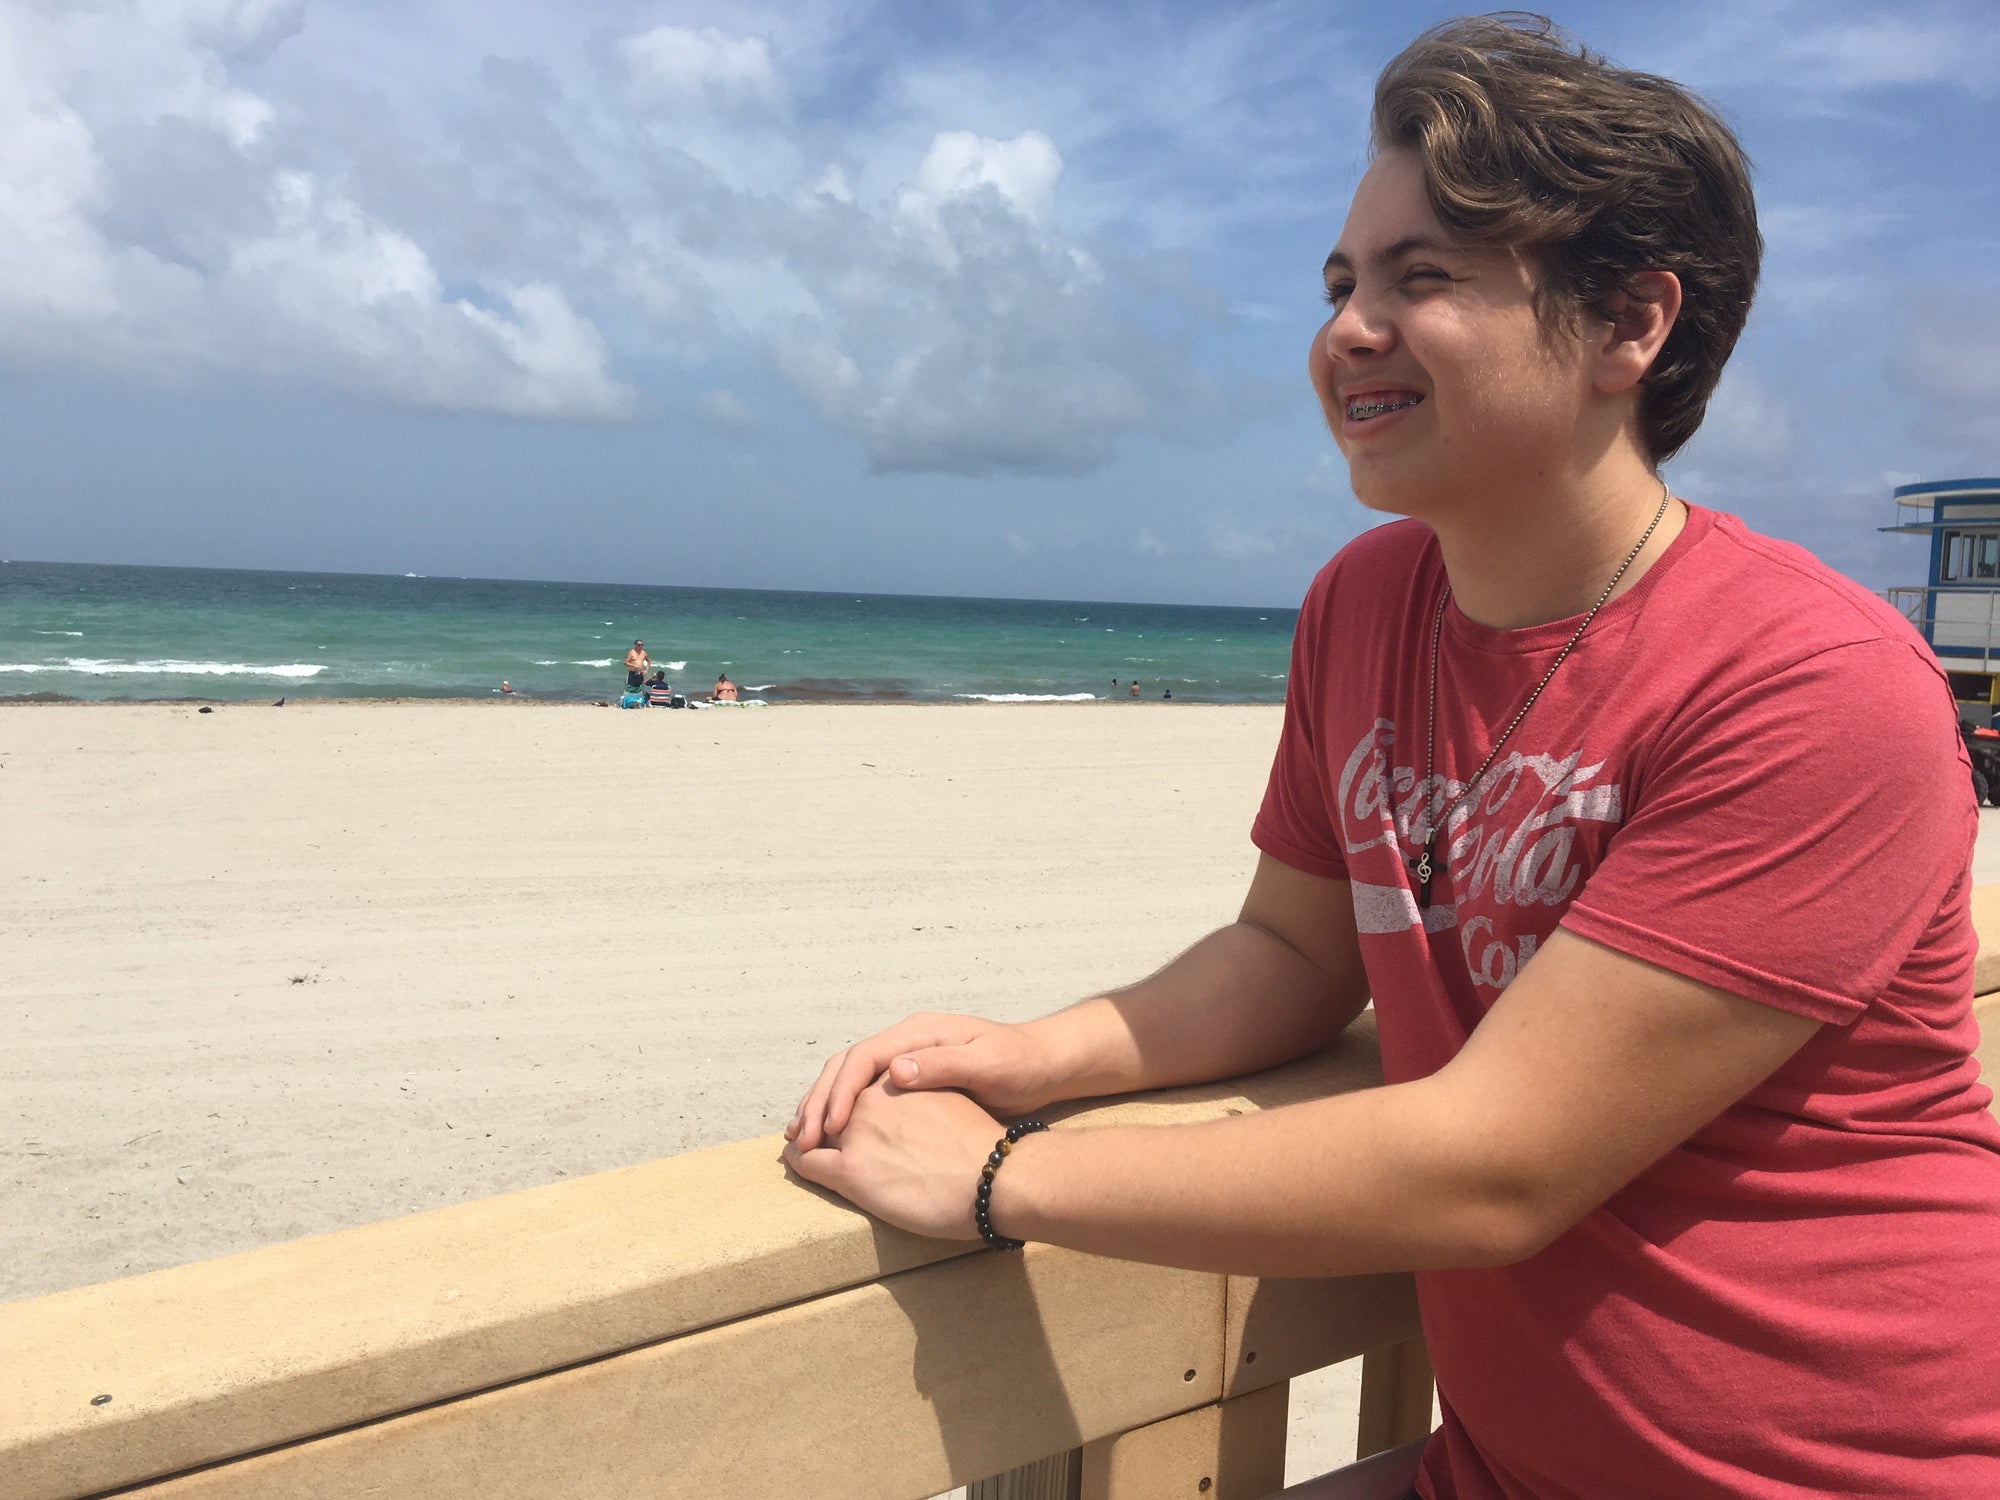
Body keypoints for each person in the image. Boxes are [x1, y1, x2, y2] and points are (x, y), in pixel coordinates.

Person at [784, 16, 2000, 1497]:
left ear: (1633, 326)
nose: (1349, 329)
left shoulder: (1809, 683)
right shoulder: (1365, 606)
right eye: (1343, 282)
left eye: (1424, 279)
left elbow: (1495, 1169)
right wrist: (1037, 1052)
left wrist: (996, 1180)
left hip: (1844, 1465)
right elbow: (1295, 956)